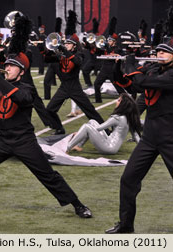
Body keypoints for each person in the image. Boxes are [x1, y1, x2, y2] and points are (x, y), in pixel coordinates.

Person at [0, 16, 92, 219]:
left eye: (11, 66)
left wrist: (0, 78)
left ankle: (78, 205)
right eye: (6, 66)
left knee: (48, 176)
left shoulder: (26, 88)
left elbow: (20, 98)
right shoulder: (1, 86)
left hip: (24, 141)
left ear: (21, 71)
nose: (7, 68)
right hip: (3, 140)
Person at [105, 35, 173, 233]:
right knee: (128, 179)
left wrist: (132, 66)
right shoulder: (153, 69)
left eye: (165, 52)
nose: (159, 54)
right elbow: (131, 86)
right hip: (150, 138)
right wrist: (118, 67)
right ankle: (126, 226)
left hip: (170, 137)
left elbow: (145, 83)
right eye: (158, 51)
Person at [45, 10, 105, 135]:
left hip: (75, 87)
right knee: (50, 109)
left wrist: (63, 50)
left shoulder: (79, 54)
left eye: (68, 44)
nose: (66, 45)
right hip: (64, 87)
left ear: (73, 46)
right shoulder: (60, 55)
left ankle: (106, 130)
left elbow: (77, 62)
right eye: (65, 43)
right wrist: (48, 49)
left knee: (90, 111)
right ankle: (59, 128)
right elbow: (46, 59)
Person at [67, 93, 141, 154]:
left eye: (118, 100)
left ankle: (67, 147)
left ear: (123, 105)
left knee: (86, 127)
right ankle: (78, 145)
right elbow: (135, 135)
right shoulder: (128, 118)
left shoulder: (117, 118)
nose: (116, 101)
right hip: (112, 146)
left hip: (108, 147)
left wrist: (79, 133)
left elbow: (99, 128)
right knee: (92, 121)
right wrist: (142, 149)